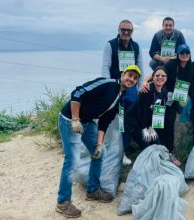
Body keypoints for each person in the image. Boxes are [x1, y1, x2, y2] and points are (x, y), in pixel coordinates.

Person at [56, 65, 141, 218]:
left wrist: (100, 144)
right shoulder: (106, 83)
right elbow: (77, 92)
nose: (131, 79)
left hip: (88, 123)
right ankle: (63, 202)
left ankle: (93, 190)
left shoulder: (119, 98)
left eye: (135, 78)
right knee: (72, 161)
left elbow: (105, 121)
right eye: (130, 75)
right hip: (70, 119)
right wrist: (75, 119)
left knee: (99, 154)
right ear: (123, 74)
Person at [101, 19, 143, 163]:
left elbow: (140, 67)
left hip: (131, 87)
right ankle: (113, 149)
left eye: (129, 30)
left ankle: (124, 149)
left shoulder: (136, 46)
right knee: (115, 119)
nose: (126, 32)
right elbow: (105, 66)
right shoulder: (110, 45)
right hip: (115, 85)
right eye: (123, 29)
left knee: (129, 118)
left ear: (132, 32)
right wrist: (107, 86)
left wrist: (140, 88)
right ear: (118, 30)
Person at [125, 67, 169, 149]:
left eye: (163, 76)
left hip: (147, 122)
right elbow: (141, 111)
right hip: (134, 122)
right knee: (147, 146)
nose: (160, 77)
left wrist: (151, 127)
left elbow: (157, 112)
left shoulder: (164, 91)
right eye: (157, 75)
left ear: (166, 78)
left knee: (158, 145)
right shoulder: (146, 89)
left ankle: (157, 161)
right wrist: (144, 128)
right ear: (153, 77)